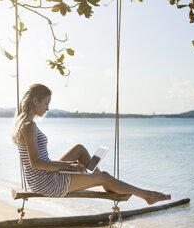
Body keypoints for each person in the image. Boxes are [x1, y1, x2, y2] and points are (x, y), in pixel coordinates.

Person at [12, 83, 171, 205]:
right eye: (46, 103)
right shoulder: (29, 126)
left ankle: (101, 180)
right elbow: (36, 163)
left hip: (43, 178)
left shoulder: (26, 124)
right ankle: (147, 195)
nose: (48, 108)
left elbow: (39, 162)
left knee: (79, 149)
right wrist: (68, 167)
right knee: (105, 176)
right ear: (35, 101)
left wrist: (69, 165)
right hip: (46, 184)